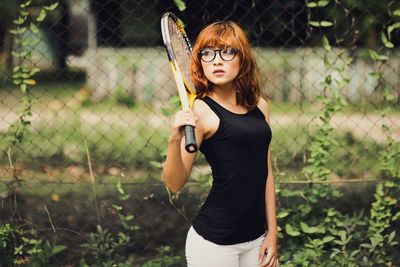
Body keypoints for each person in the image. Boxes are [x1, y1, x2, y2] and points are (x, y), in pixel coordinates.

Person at [162, 20, 278, 267]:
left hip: (256, 239)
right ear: (200, 61)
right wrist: (174, 139)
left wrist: (273, 233)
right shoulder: (201, 112)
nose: (216, 60)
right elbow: (174, 183)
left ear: (242, 58)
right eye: (208, 53)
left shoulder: (260, 106)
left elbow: (265, 173)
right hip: (214, 244)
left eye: (227, 51)